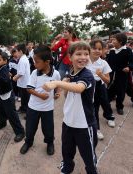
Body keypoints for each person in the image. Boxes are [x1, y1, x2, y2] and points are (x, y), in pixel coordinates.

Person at [43, 41, 98, 174]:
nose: (83, 57)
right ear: (70, 56)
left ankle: (92, 171)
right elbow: (67, 91)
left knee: (88, 156)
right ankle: (66, 169)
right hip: (68, 121)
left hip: (84, 124)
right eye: (78, 54)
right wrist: (60, 88)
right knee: (67, 151)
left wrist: (57, 83)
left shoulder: (87, 75)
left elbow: (79, 88)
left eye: (86, 54)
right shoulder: (71, 72)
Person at [20, 46, 61, 155]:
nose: (34, 64)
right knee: (30, 127)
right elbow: (29, 89)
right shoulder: (34, 73)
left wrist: (57, 93)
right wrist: (40, 95)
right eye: (34, 61)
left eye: (37, 62)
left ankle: (50, 143)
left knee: (48, 128)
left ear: (47, 62)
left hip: (48, 108)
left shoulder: (56, 73)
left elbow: (58, 85)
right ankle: (28, 142)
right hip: (33, 107)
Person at [0, 51, 25, 142]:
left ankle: (20, 132)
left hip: (7, 95)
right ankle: (2, 123)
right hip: (2, 95)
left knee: (12, 115)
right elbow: (1, 80)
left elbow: (6, 80)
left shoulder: (4, 69)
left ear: (5, 61)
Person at [87, 39, 115, 140]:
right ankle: (96, 129)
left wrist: (101, 75)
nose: (97, 51)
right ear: (89, 49)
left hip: (100, 86)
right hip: (89, 87)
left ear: (103, 50)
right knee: (94, 108)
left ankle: (110, 117)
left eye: (99, 49)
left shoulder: (103, 63)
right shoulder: (84, 61)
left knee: (105, 103)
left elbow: (108, 80)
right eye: (94, 48)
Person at [107, 33, 133, 115]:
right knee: (109, 90)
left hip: (122, 75)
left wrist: (129, 67)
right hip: (111, 75)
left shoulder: (127, 50)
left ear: (120, 42)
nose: (112, 40)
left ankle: (119, 106)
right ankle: (107, 106)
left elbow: (132, 62)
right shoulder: (111, 51)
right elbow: (108, 62)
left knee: (121, 92)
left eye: (114, 39)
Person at [13, 44, 30, 114]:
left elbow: (21, 73)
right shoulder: (23, 58)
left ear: (20, 51)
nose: (15, 53)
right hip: (23, 83)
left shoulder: (23, 60)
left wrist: (15, 78)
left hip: (24, 83)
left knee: (25, 98)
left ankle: (27, 111)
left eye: (16, 51)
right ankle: (23, 108)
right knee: (23, 97)